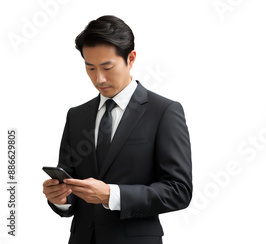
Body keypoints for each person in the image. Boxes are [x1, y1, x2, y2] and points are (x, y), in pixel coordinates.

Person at [41, 15, 193, 244]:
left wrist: (112, 195)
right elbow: (70, 182)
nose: (98, 78)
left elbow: (178, 190)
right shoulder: (76, 116)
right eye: (90, 68)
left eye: (107, 67)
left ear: (130, 59)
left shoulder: (164, 112)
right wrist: (59, 198)